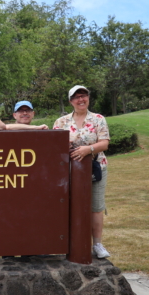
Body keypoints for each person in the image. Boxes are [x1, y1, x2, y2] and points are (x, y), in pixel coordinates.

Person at [53, 85, 111, 259]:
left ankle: (98, 244)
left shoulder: (98, 119)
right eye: (77, 97)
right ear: (71, 101)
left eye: (84, 96)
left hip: (96, 168)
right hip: (68, 171)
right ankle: (69, 243)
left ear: (88, 98)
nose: (81, 100)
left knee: (96, 207)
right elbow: (55, 145)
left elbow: (104, 143)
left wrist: (88, 149)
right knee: (68, 205)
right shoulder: (61, 122)